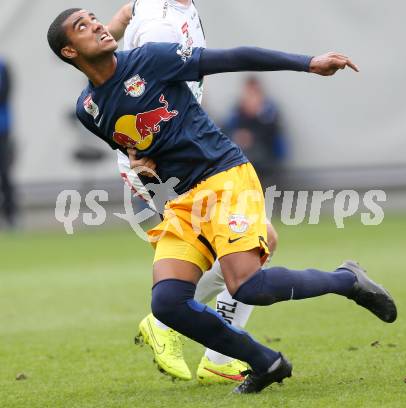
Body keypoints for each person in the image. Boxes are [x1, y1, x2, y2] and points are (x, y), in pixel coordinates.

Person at [47, 8, 397, 394]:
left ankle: (346, 281)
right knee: (167, 303)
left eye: (94, 18)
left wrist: (308, 63)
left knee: (247, 285)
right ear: (69, 52)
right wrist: (139, 160)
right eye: (82, 26)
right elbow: (131, 142)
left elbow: (234, 57)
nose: (96, 24)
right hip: (183, 202)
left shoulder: (151, 59)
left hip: (223, 176)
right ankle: (266, 362)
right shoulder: (88, 109)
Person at [106, 0, 271, 384]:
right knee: (247, 245)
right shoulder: (159, 25)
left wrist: (116, 24)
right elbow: (128, 88)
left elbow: (114, 34)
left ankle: (209, 349)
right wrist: (142, 155)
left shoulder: (164, 8)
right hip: (167, 164)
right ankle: (173, 323)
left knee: (258, 242)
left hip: (191, 153)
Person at [224, 75, 289, 190]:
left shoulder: (268, 108)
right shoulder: (239, 108)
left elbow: (273, 131)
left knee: (254, 157)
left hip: (265, 150)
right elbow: (228, 128)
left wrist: (257, 117)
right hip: (242, 150)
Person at [0, 57, 16, 229]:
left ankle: (10, 214)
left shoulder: (3, 65)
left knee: (5, 172)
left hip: (2, 128)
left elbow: (4, 92)